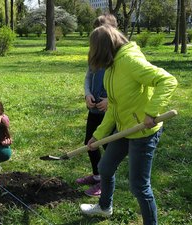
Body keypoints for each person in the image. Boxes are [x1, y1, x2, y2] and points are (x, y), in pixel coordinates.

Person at [79, 25, 177, 225]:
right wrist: (98, 135)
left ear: (104, 48)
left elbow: (167, 80)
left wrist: (151, 112)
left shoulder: (131, 61)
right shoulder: (111, 69)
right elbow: (114, 107)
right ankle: (105, 207)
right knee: (104, 167)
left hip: (143, 131)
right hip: (125, 128)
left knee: (139, 185)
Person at [76, 14, 118, 197]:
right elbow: (88, 77)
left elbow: (122, 85)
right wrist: (87, 94)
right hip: (94, 109)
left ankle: (106, 182)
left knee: (109, 148)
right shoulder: (93, 54)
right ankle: (96, 175)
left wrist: (110, 101)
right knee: (89, 143)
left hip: (109, 111)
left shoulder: (118, 57)